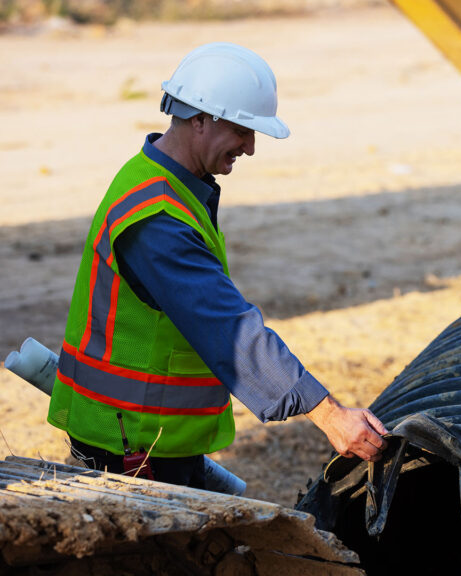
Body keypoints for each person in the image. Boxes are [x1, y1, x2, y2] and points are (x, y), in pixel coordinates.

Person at [47, 42, 388, 489]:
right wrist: (329, 414)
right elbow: (227, 327)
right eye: (242, 130)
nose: (250, 148)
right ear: (199, 119)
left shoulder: (164, 183)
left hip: (150, 432)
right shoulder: (157, 218)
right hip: (135, 441)